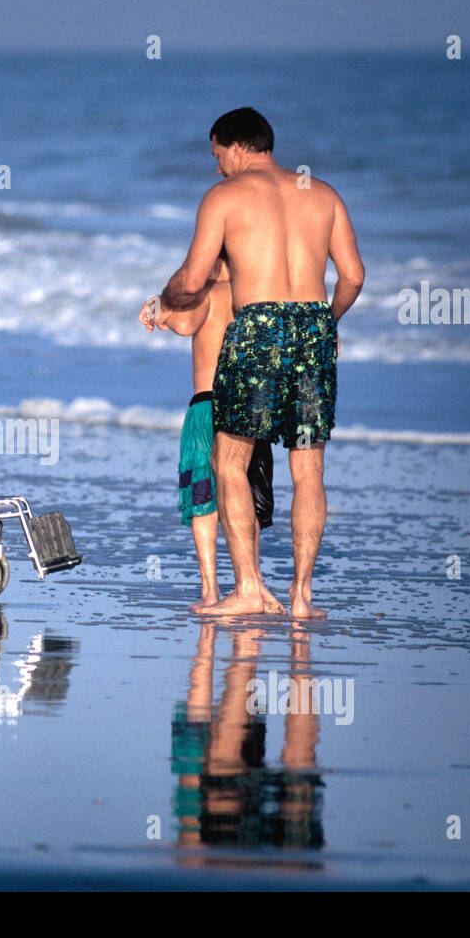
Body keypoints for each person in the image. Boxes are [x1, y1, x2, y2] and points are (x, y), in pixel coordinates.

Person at [161, 107, 364, 618]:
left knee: (229, 461)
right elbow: (354, 277)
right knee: (309, 467)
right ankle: (301, 598)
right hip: (313, 325)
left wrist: (166, 297)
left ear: (234, 147)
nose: (216, 168)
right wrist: (329, 322)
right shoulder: (323, 193)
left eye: (216, 156)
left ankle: (249, 588)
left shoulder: (225, 197)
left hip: (258, 327)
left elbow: (192, 280)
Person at [140, 256, 284, 615]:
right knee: (247, 493)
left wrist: (158, 306)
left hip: (207, 405)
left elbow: (185, 325)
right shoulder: (256, 294)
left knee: (203, 497)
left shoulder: (206, 294)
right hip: (251, 403)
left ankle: (209, 589)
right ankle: (252, 583)